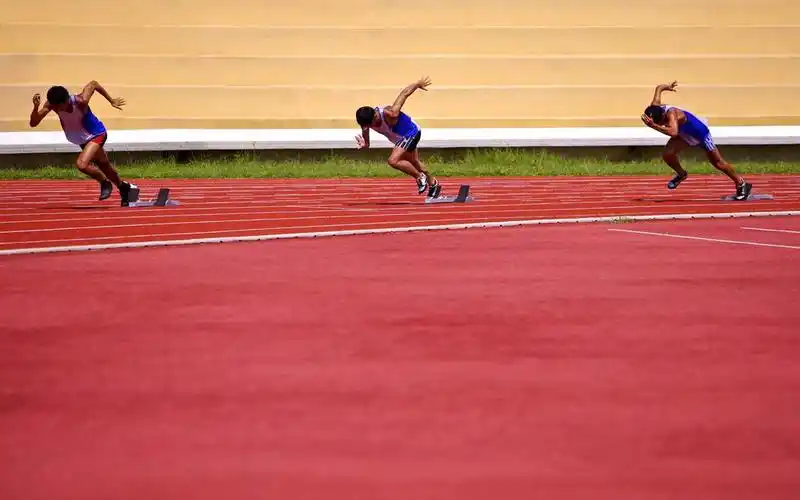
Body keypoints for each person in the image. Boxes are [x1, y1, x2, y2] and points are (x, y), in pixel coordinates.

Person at [29, 81, 136, 206]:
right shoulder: (52, 105)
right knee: (104, 166)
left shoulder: (80, 101)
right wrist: (36, 108)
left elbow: (93, 84)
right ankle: (125, 188)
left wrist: (111, 100)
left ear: (66, 100)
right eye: (55, 107)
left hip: (96, 134)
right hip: (82, 139)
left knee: (82, 164)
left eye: (59, 107)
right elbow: (34, 123)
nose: (57, 109)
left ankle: (104, 182)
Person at [641, 81, 752, 201]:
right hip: (684, 134)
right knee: (668, 155)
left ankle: (741, 183)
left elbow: (673, 132)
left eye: (661, 123)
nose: (661, 124)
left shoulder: (672, 114)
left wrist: (653, 126)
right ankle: (682, 174)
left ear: (663, 117)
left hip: (699, 133)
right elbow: (659, 88)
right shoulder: (655, 106)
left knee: (718, 163)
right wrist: (668, 87)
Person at [355, 76, 441, 198]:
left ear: (375, 116)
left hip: (411, 132)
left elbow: (404, 94)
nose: (368, 127)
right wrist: (365, 144)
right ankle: (433, 183)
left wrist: (417, 84)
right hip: (401, 139)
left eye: (370, 125)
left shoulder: (390, 113)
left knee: (393, 160)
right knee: (414, 162)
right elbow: (367, 141)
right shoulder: (366, 123)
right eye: (366, 126)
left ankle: (419, 177)